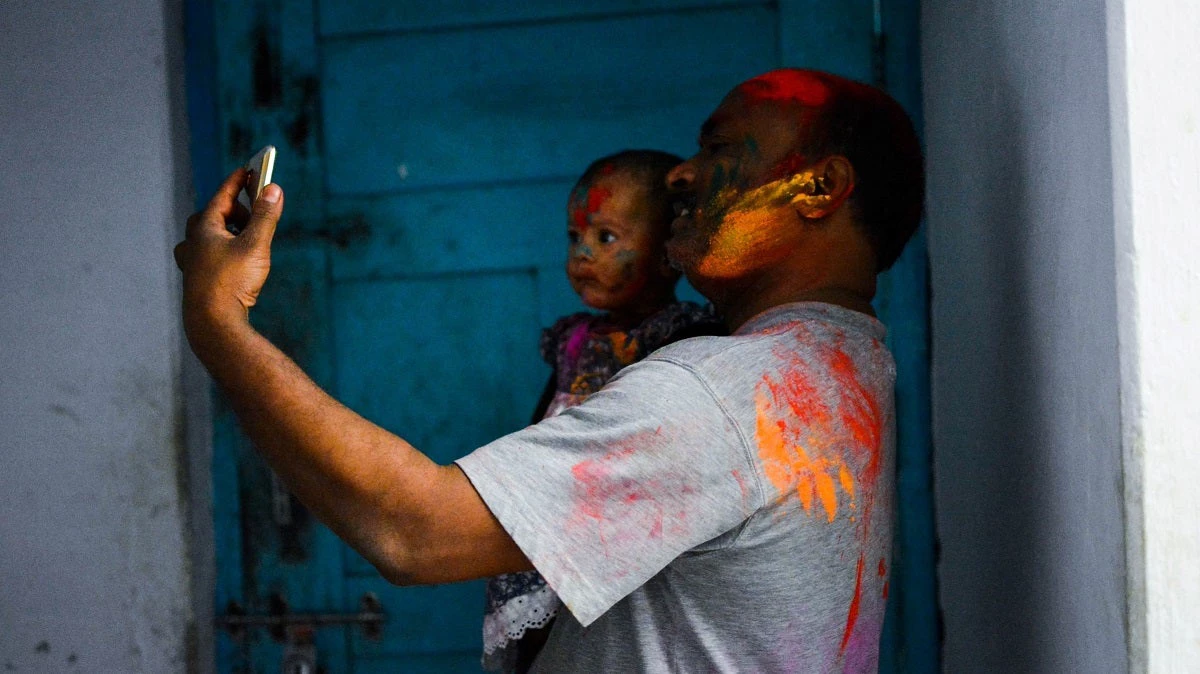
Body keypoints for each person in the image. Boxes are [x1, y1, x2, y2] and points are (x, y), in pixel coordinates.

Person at [174, 68, 924, 672]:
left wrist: (217, 323)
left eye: (721, 147)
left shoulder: (724, 394)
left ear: (821, 189)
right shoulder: (852, 364)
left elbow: (413, 531)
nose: (680, 176)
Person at [485, 150, 723, 673]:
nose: (582, 255)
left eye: (605, 238)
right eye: (575, 239)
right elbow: (545, 419)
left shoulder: (677, 338)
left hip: (616, 519)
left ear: (667, 252)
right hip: (555, 508)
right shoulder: (573, 340)